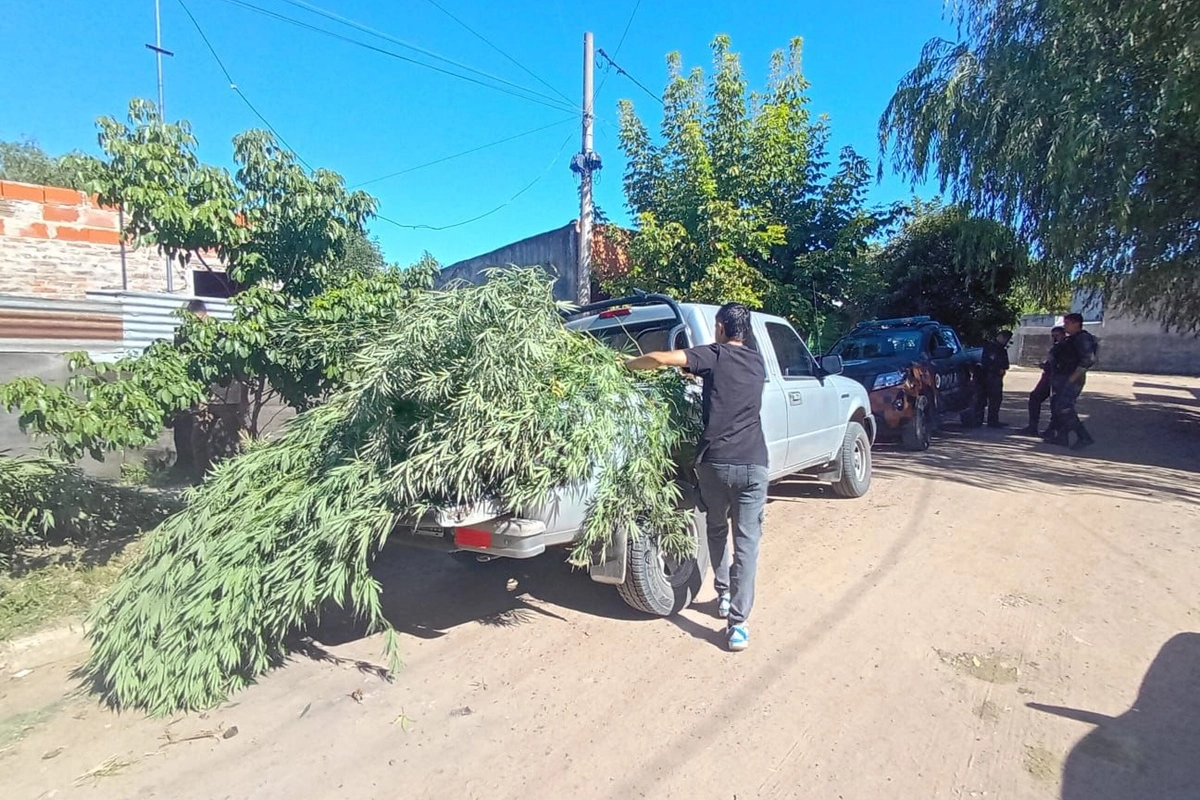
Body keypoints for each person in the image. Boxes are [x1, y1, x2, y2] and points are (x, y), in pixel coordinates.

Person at [625, 303, 767, 653]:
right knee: (746, 544)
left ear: (719, 327)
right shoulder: (757, 362)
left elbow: (660, 359)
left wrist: (627, 365)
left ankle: (722, 594)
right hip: (754, 463)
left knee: (716, 528)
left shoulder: (714, 355)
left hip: (716, 463)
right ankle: (738, 625)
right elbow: (729, 389)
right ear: (744, 331)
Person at [1044, 313, 1098, 450]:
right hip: (1062, 377)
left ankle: (1084, 437)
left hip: (1072, 378)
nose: (1065, 326)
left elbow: (1088, 360)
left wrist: (1072, 378)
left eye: (1067, 323)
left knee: (1065, 407)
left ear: (1076, 323)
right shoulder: (1072, 339)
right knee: (1058, 405)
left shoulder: (1083, 338)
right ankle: (1062, 437)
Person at [1019, 326, 1066, 436]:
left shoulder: (1064, 347)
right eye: (1053, 336)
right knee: (1035, 397)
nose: (1055, 338)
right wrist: (1045, 365)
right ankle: (1033, 427)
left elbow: (1061, 364)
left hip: (1056, 378)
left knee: (1055, 404)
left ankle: (1051, 430)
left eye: (1057, 336)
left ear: (1063, 335)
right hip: (1048, 376)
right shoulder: (1057, 346)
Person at [977, 329, 1013, 428]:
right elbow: (986, 363)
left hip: (996, 378)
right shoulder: (990, 347)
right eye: (1005, 338)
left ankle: (993, 420)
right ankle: (980, 420)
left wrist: (1001, 369)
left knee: (996, 400)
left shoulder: (1001, 349)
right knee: (985, 399)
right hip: (988, 376)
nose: (1006, 341)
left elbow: (1006, 364)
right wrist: (997, 370)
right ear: (1000, 336)